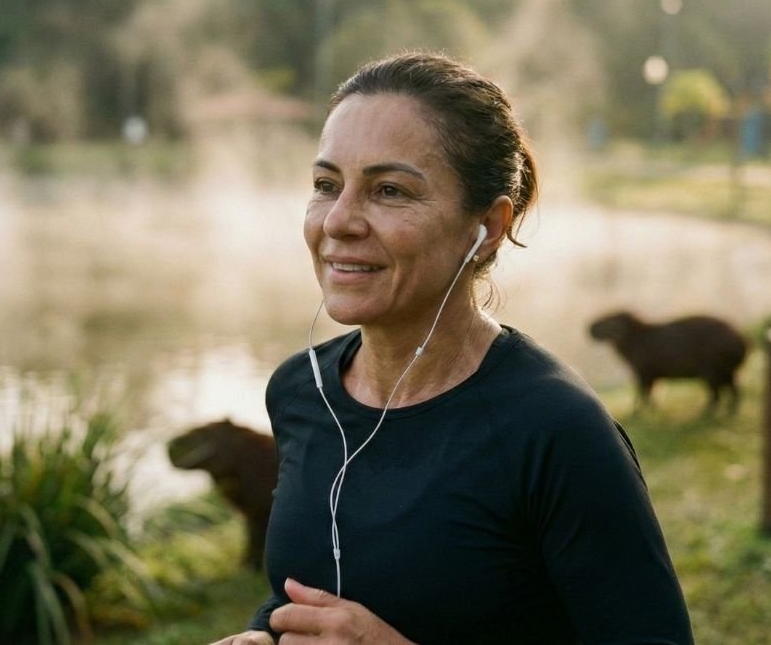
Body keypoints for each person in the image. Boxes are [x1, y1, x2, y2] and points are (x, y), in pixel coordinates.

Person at [211, 52, 693, 644]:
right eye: (325, 185)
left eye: (388, 190)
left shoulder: (554, 431)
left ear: (487, 227)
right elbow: (302, 589)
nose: (339, 220)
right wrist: (263, 634)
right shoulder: (298, 390)